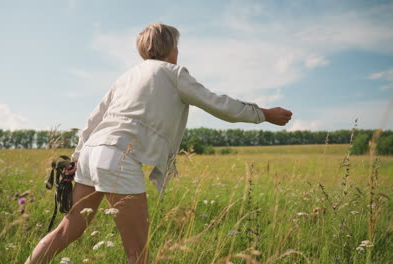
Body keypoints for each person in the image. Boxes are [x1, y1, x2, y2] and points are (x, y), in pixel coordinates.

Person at [25, 23, 292, 264]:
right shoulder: (174, 73)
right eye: (177, 45)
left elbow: (93, 120)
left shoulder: (125, 77)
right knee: (137, 253)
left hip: (91, 153)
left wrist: (75, 158)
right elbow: (218, 104)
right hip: (117, 157)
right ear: (171, 48)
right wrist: (264, 114)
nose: (178, 51)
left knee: (66, 230)